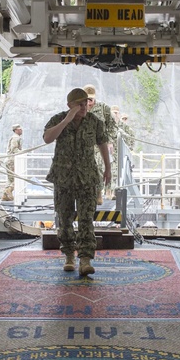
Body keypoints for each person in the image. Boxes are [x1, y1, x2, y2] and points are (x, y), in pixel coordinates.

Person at [44, 87, 111, 275]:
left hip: (87, 177)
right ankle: (69, 256)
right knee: (64, 219)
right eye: (79, 104)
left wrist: (108, 168)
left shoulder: (94, 122)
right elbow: (48, 138)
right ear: (69, 105)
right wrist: (67, 120)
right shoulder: (58, 119)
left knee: (86, 219)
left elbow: (102, 143)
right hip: (63, 178)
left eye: (85, 103)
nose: (84, 107)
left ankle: (85, 259)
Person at [82, 84, 118, 203]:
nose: (89, 103)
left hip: (99, 145)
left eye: (91, 100)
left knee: (98, 168)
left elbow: (112, 126)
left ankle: (98, 194)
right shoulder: (78, 108)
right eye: (86, 100)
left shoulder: (103, 108)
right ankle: (90, 194)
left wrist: (110, 142)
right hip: (83, 145)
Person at [2, 124, 23, 201]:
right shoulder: (15, 138)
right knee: (16, 179)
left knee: (10, 180)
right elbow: (14, 149)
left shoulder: (15, 137)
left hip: (9, 160)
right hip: (12, 161)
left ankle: (5, 196)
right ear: (16, 130)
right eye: (19, 129)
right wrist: (23, 152)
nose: (21, 130)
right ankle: (9, 190)